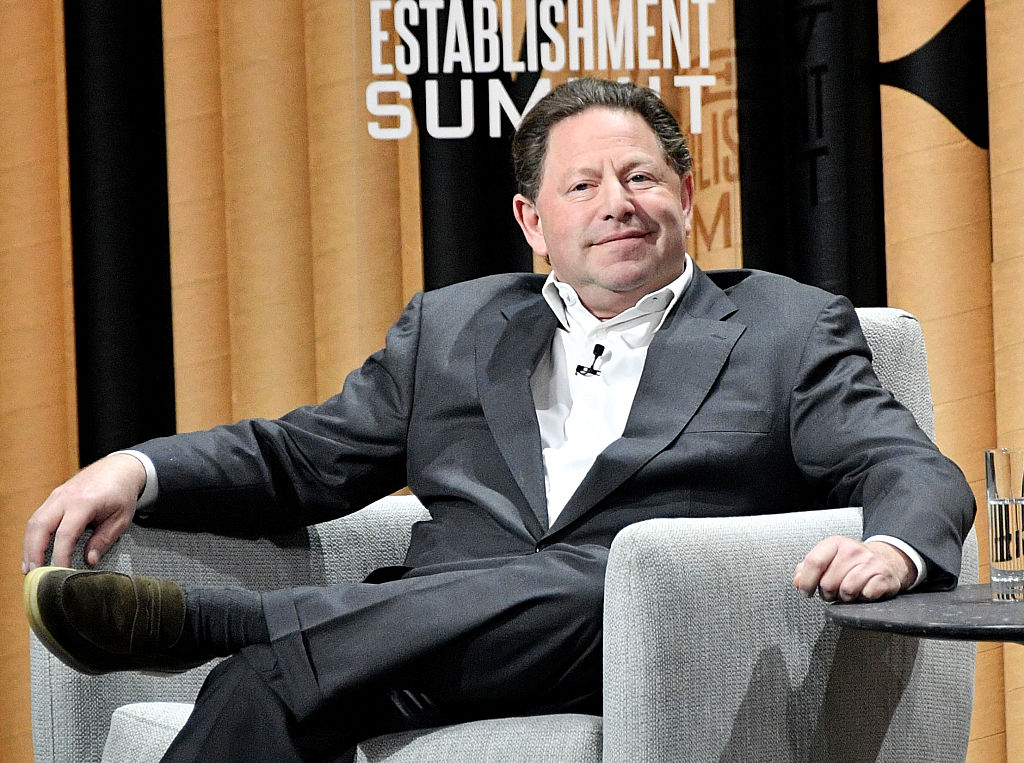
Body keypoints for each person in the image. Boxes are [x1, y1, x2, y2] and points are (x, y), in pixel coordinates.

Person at [22, 78, 974, 761]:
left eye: (642, 179)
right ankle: (269, 636)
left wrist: (895, 546)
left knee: (597, 573)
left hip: (624, 643)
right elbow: (304, 458)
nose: (618, 205)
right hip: (429, 648)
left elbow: (907, 464)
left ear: (687, 196)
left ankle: (232, 620)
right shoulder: (453, 327)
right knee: (260, 683)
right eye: (583, 186)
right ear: (532, 221)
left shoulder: (786, 327)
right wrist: (137, 469)